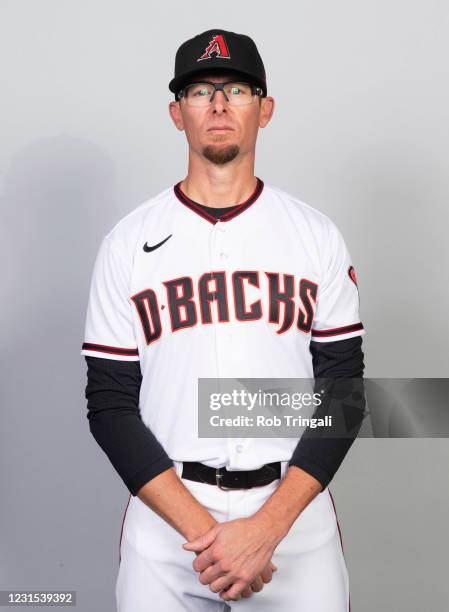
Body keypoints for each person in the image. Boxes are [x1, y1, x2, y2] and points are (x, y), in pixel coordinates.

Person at [81, 28, 365, 612]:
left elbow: (344, 394)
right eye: (199, 91)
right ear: (175, 112)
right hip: (167, 522)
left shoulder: (315, 236)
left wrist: (264, 530)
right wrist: (208, 538)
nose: (216, 104)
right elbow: (110, 405)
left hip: (292, 521)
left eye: (235, 89)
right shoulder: (127, 244)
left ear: (265, 110)